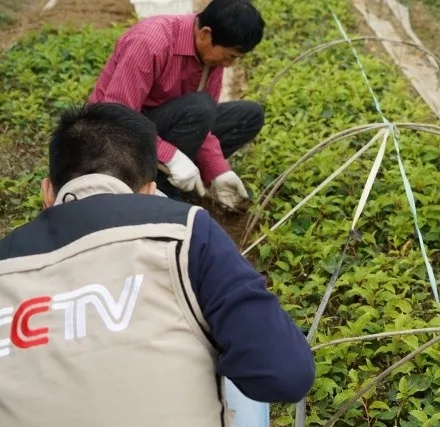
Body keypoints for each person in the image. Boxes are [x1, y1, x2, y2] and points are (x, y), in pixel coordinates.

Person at [0, 102, 315, 426]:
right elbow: (286, 374)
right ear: (150, 192)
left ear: (47, 192)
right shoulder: (189, 231)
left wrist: (216, 166)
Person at [88, 0, 266, 211]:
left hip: (164, 122)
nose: (229, 64)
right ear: (206, 34)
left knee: (249, 115)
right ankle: (154, 185)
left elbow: (203, 125)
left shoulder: (210, 57)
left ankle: (186, 179)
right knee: (201, 106)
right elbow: (114, 118)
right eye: (229, 56)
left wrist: (218, 171)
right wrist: (170, 156)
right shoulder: (149, 43)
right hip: (110, 138)